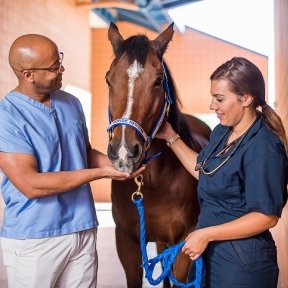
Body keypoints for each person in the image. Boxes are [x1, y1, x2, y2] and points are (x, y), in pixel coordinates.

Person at [0, 34, 144, 288]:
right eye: (54, 67)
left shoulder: (71, 103)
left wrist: (113, 165)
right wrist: (100, 174)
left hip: (82, 229)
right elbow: (30, 184)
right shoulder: (7, 116)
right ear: (28, 74)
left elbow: (82, 151)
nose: (62, 69)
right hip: (35, 239)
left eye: (60, 60)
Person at [156, 57, 288, 287]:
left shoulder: (264, 147)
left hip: (244, 266)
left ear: (246, 98)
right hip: (212, 258)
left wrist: (205, 234)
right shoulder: (222, 132)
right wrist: (169, 136)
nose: (212, 106)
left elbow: (266, 216)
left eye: (219, 99)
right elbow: (206, 173)